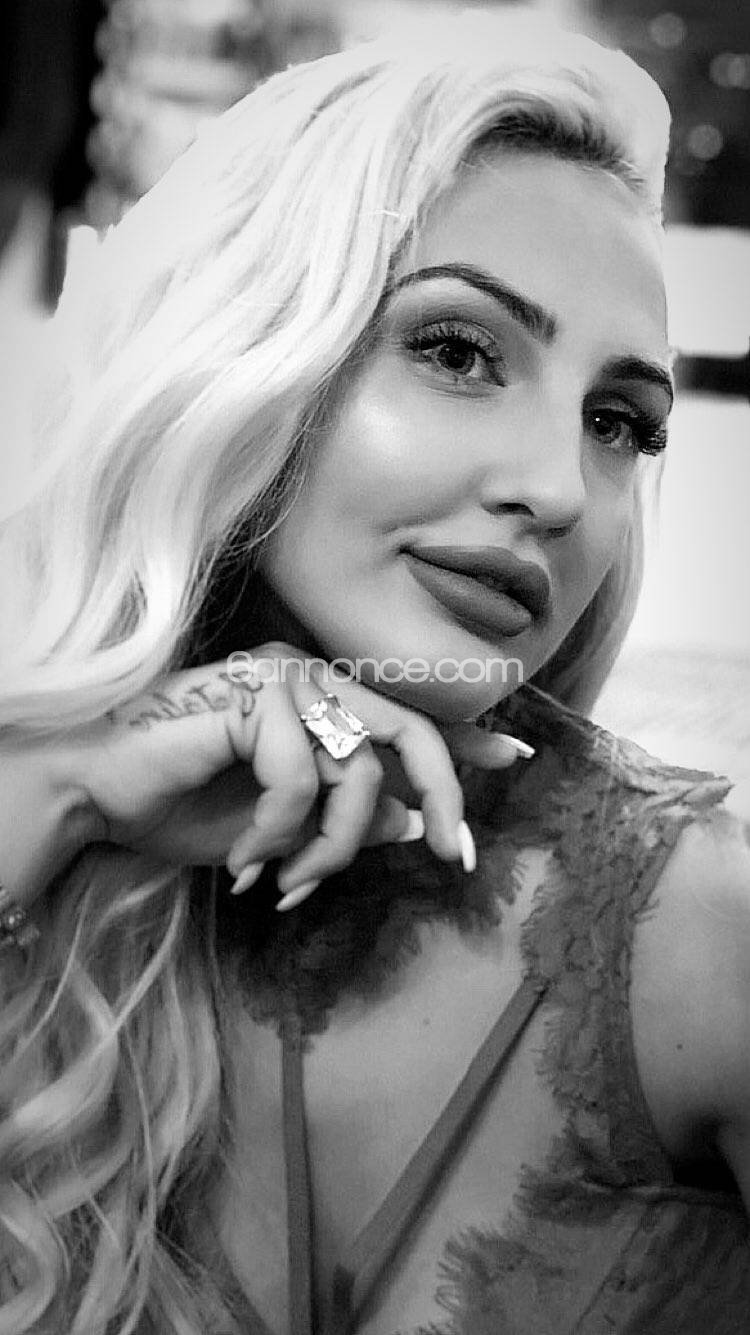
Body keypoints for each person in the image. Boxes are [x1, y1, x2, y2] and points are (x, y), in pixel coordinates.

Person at [1, 12, 748, 1334]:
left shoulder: (700, 936)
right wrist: (57, 793)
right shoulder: (48, 842)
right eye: (458, 351)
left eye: (617, 422)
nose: (558, 488)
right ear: (243, 354)